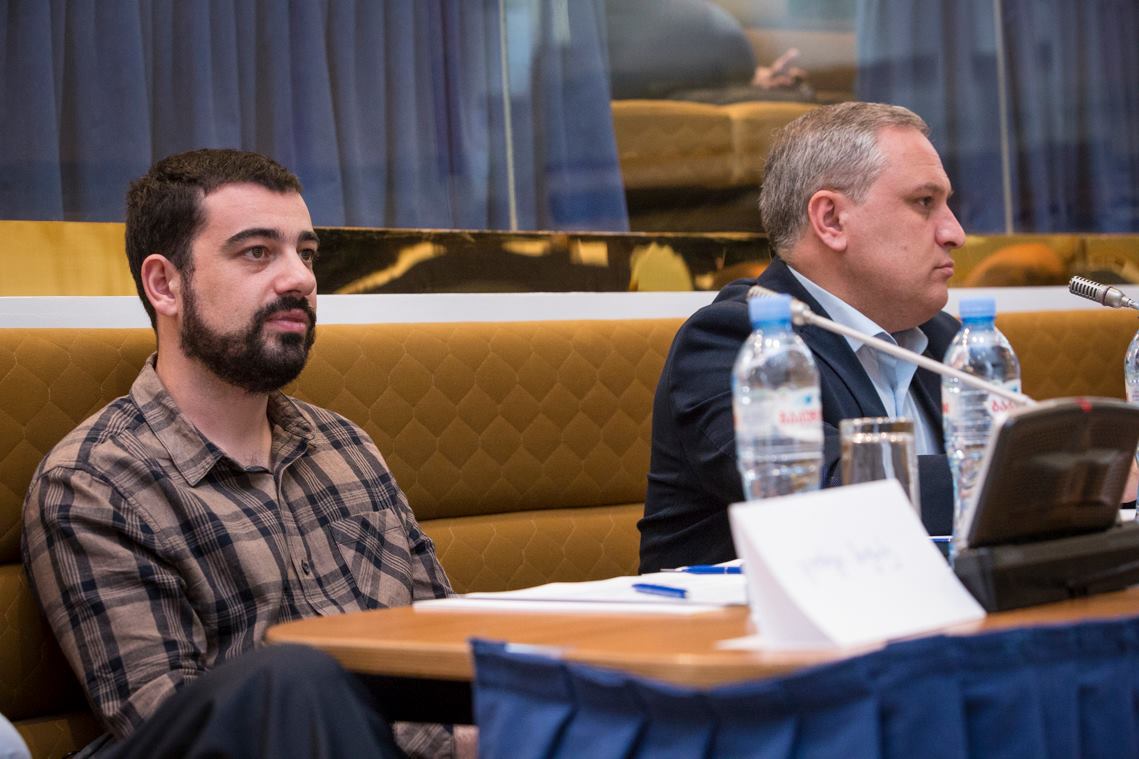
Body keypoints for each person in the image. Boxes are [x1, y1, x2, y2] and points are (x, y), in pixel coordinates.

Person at [21, 149, 454, 756]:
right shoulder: (94, 483)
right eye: (257, 252)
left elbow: (447, 646)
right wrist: (461, 738)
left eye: (305, 253)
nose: (300, 279)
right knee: (293, 677)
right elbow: (178, 727)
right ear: (165, 285)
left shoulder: (346, 446)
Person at [639, 102, 965, 572]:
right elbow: (824, 493)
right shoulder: (735, 343)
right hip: (742, 617)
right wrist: (1022, 476)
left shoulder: (947, 340)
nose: (955, 232)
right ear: (831, 220)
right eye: (924, 203)